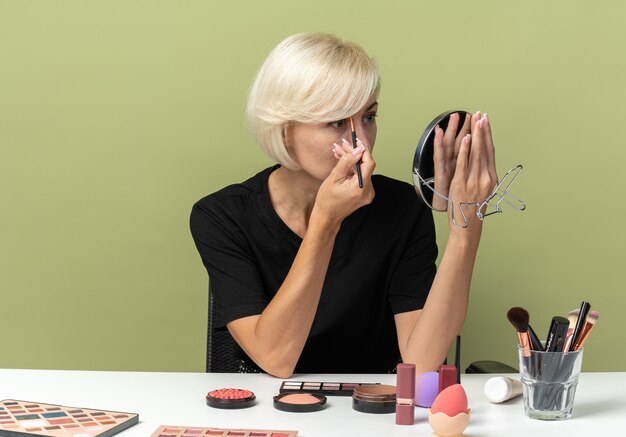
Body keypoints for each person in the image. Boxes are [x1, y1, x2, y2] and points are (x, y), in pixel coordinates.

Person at [190, 33, 497, 378]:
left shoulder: (403, 209)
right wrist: (326, 221)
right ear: (284, 129)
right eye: (337, 122)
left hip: (370, 407)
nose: (361, 142)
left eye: (369, 117)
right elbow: (276, 360)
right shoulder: (221, 216)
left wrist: (465, 228)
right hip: (268, 407)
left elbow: (421, 365)